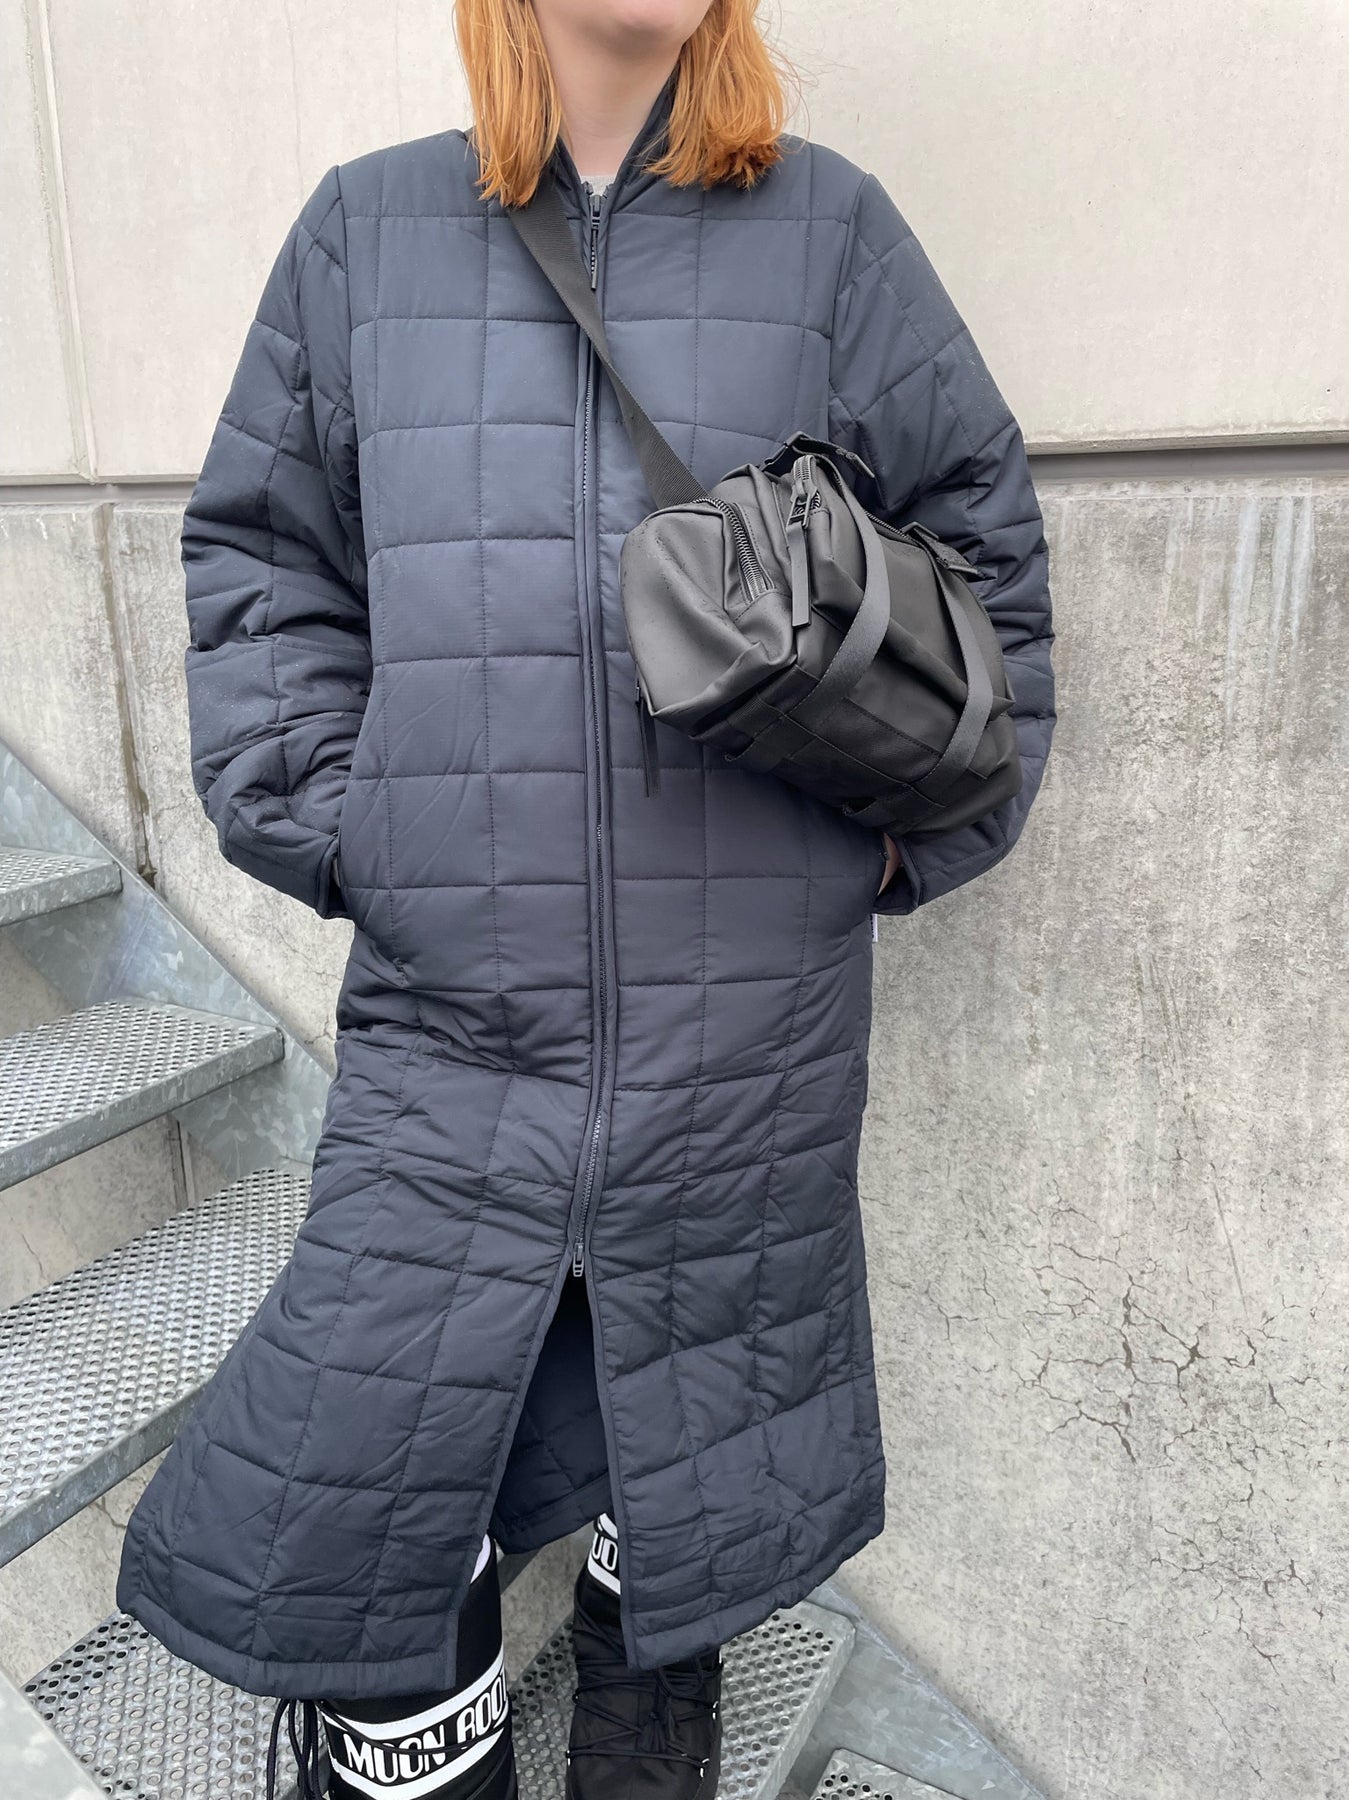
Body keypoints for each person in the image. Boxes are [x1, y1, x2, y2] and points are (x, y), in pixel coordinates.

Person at [115, 1, 1056, 1797]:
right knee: (376, 1452)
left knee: (697, 1402)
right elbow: (264, 559)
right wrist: (348, 829)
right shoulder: (363, 230)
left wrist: (884, 847)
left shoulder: (830, 230)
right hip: (451, 1010)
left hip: (747, 1022)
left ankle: (652, 1684)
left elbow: (982, 560)